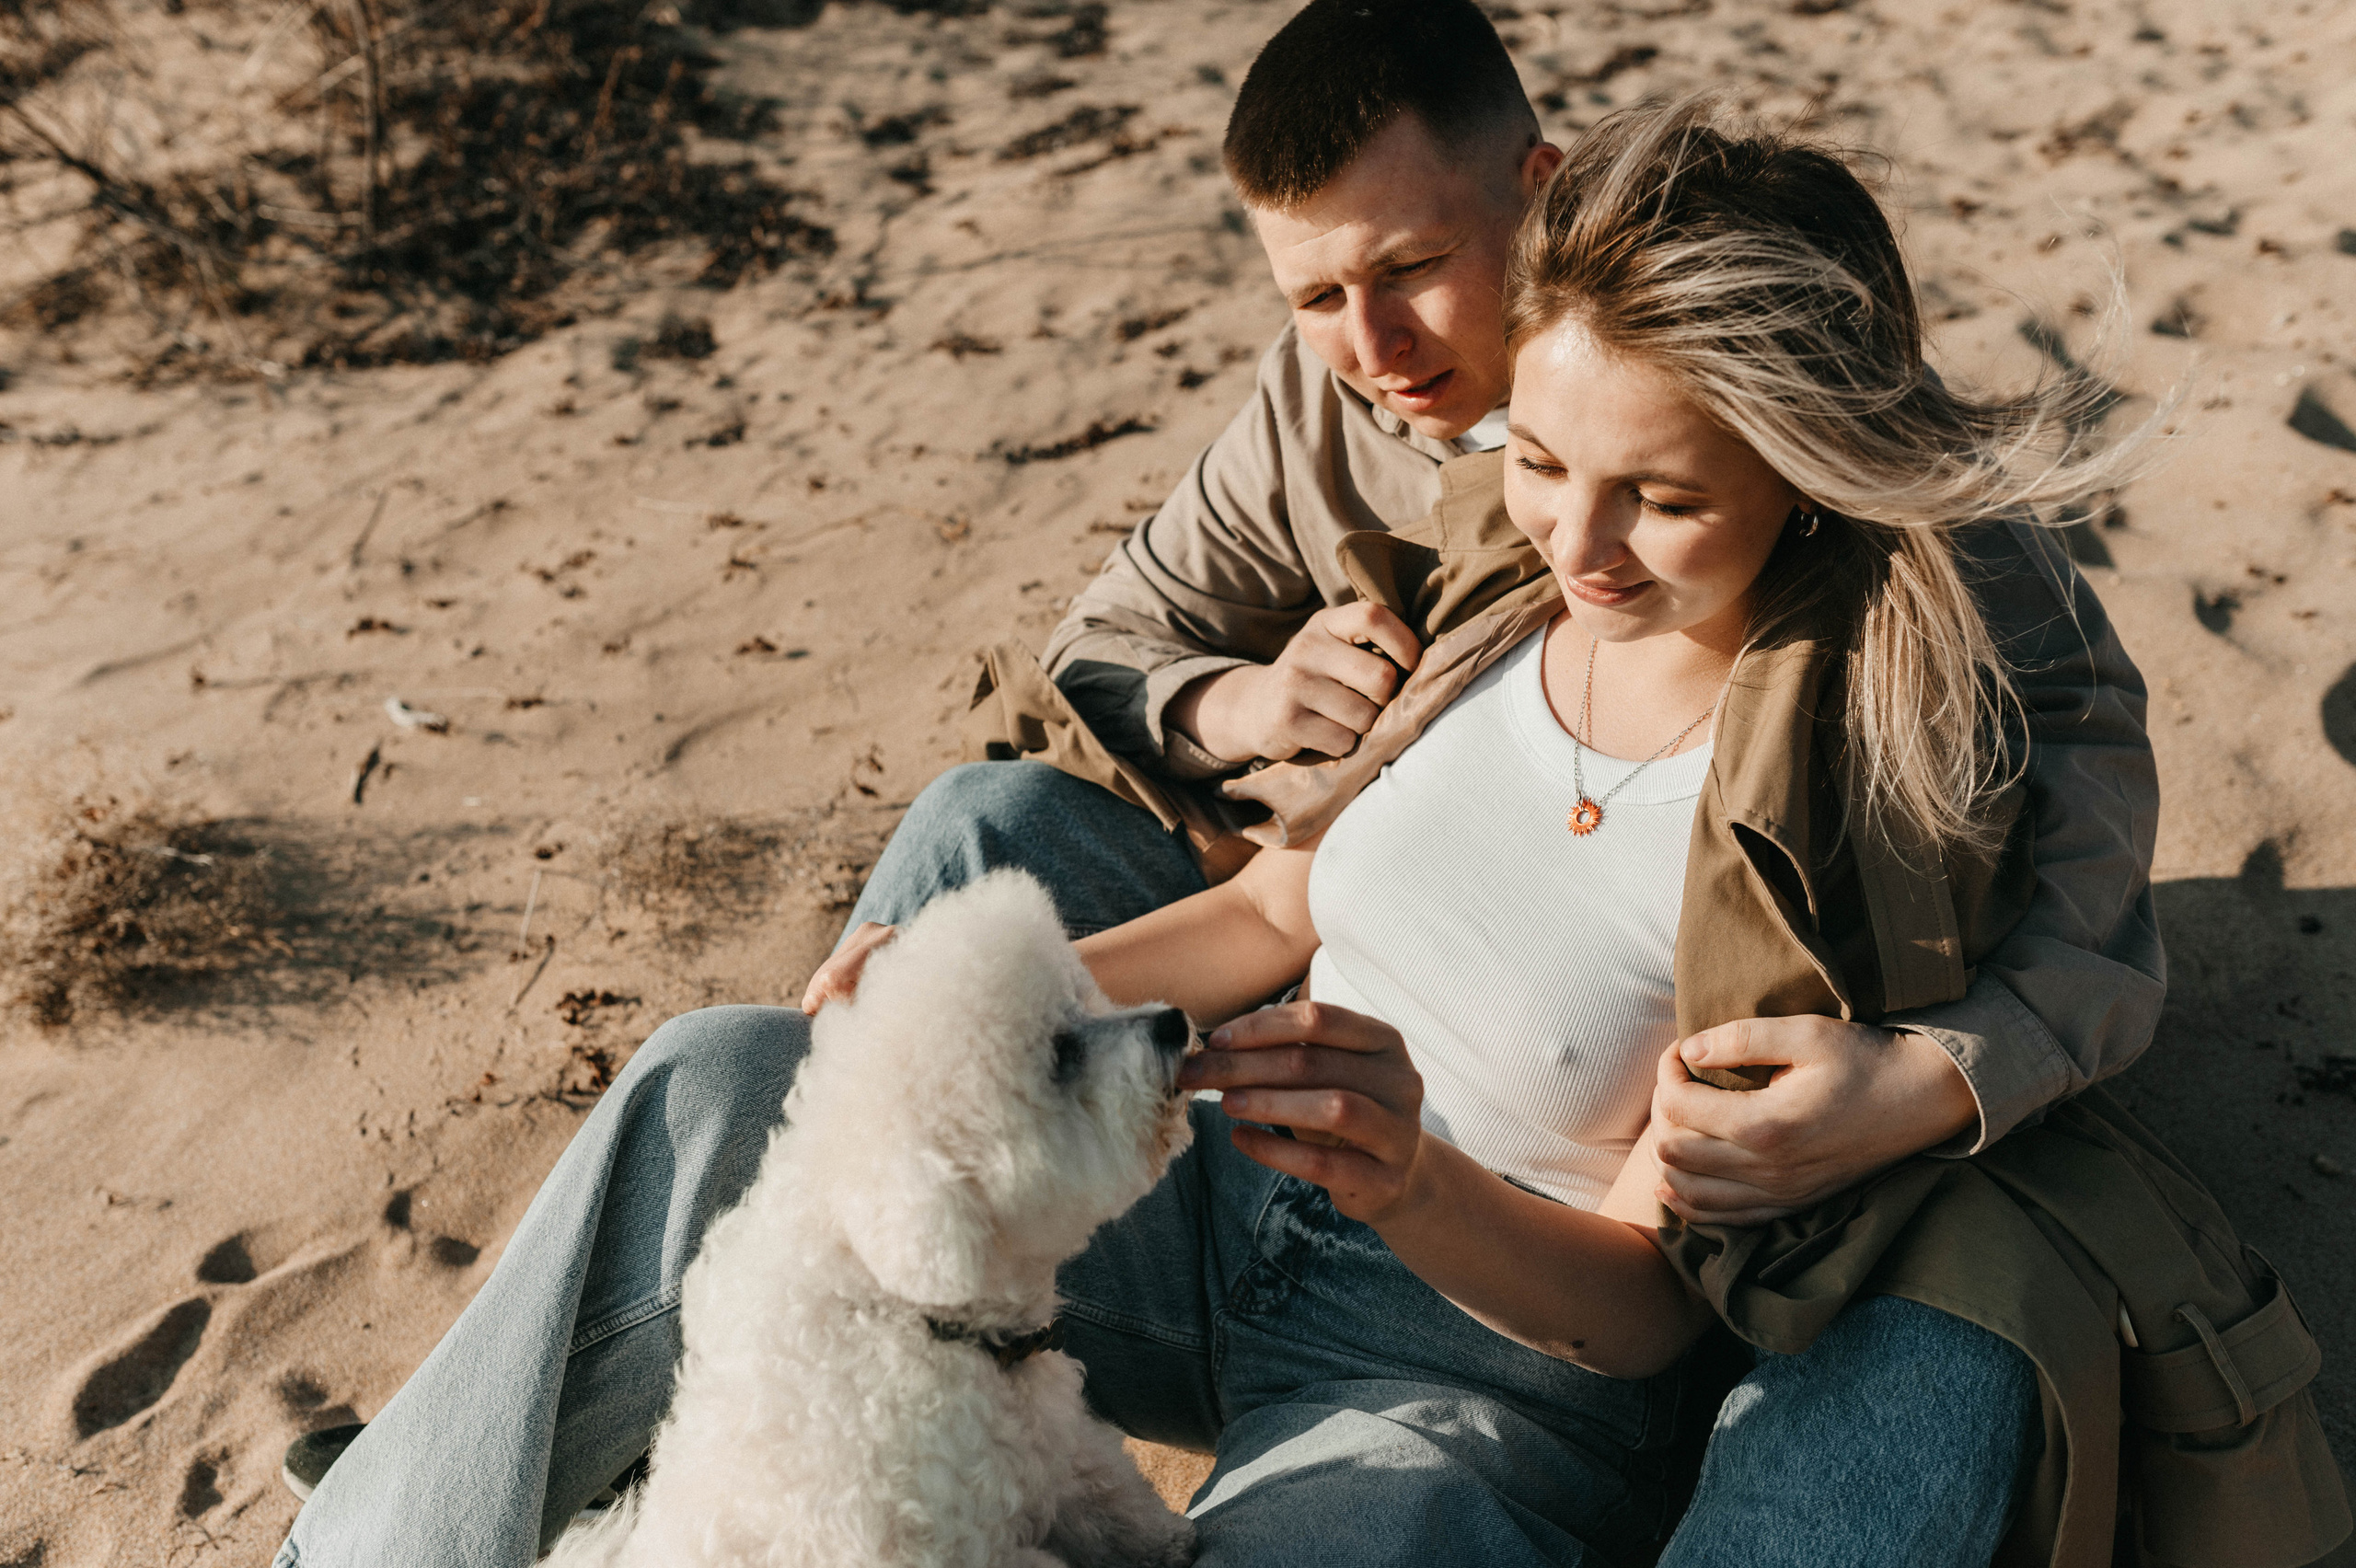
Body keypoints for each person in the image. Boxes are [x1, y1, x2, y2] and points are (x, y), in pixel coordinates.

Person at [272, 97, 2277, 1568]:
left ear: (1798, 476)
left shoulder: (1843, 800)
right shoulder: (1514, 592)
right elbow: (1288, 899)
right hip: (1196, 1200)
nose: (1572, 541)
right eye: (1546, 461)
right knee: (726, 1076)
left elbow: (1649, 1312)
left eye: (1654, 501)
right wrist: (981, 993)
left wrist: (1417, 1187)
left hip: (1463, 1372)